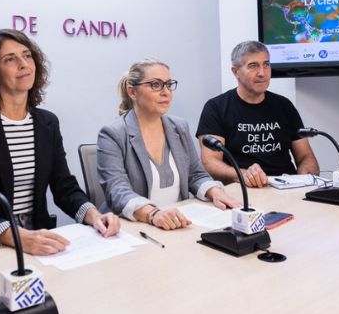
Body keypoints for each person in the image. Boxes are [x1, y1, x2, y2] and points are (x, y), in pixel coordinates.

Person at [0, 29, 120, 255]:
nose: (23, 64)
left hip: (39, 239)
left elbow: (64, 187)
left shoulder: (47, 123)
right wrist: (22, 238)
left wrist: (94, 216)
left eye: (27, 55)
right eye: (10, 59)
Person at [96, 59, 238, 230]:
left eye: (169, 85)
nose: (166, 93)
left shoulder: (179, 127)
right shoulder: (112, 134)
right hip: (136, 228)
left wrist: (215, 192)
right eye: (155, 85)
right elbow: (117, 191)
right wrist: (154, 214)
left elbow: (196, 174)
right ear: (132, 92)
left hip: (177, 224)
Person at [196, 40, 319, 188]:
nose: (262, 73)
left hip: (286, 187)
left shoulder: (284, 106)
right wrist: (243, 174)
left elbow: (305, 155)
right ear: (236, 72)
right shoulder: (216, 107)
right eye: (253, 66)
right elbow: (210, 162)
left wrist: (306, 179)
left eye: (266, 65)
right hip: (243, 188)